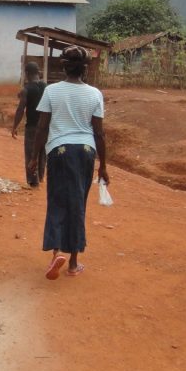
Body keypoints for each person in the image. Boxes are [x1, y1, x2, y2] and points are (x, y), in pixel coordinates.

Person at [29, 46, 109, 279]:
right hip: (85, 151)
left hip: (59, 151)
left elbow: (42, 126)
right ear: (85, 69)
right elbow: (100, 133)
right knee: (78, 203)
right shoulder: (95, 94)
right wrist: (103, 166)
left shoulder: (52, 91)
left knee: (57, 201)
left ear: (63, 66)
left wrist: (34, 158)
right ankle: (73, 263)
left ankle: (56, 255)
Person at [11, 61, 47, 187]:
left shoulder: (26, 90)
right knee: (43, 152)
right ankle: (41, 177)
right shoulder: (46, 87)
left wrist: (14, 126)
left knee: (31, 153)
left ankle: (33, 181)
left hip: (32, 126)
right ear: (38, 73)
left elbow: (21, 109)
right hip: (46, 127)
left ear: (26, 73)